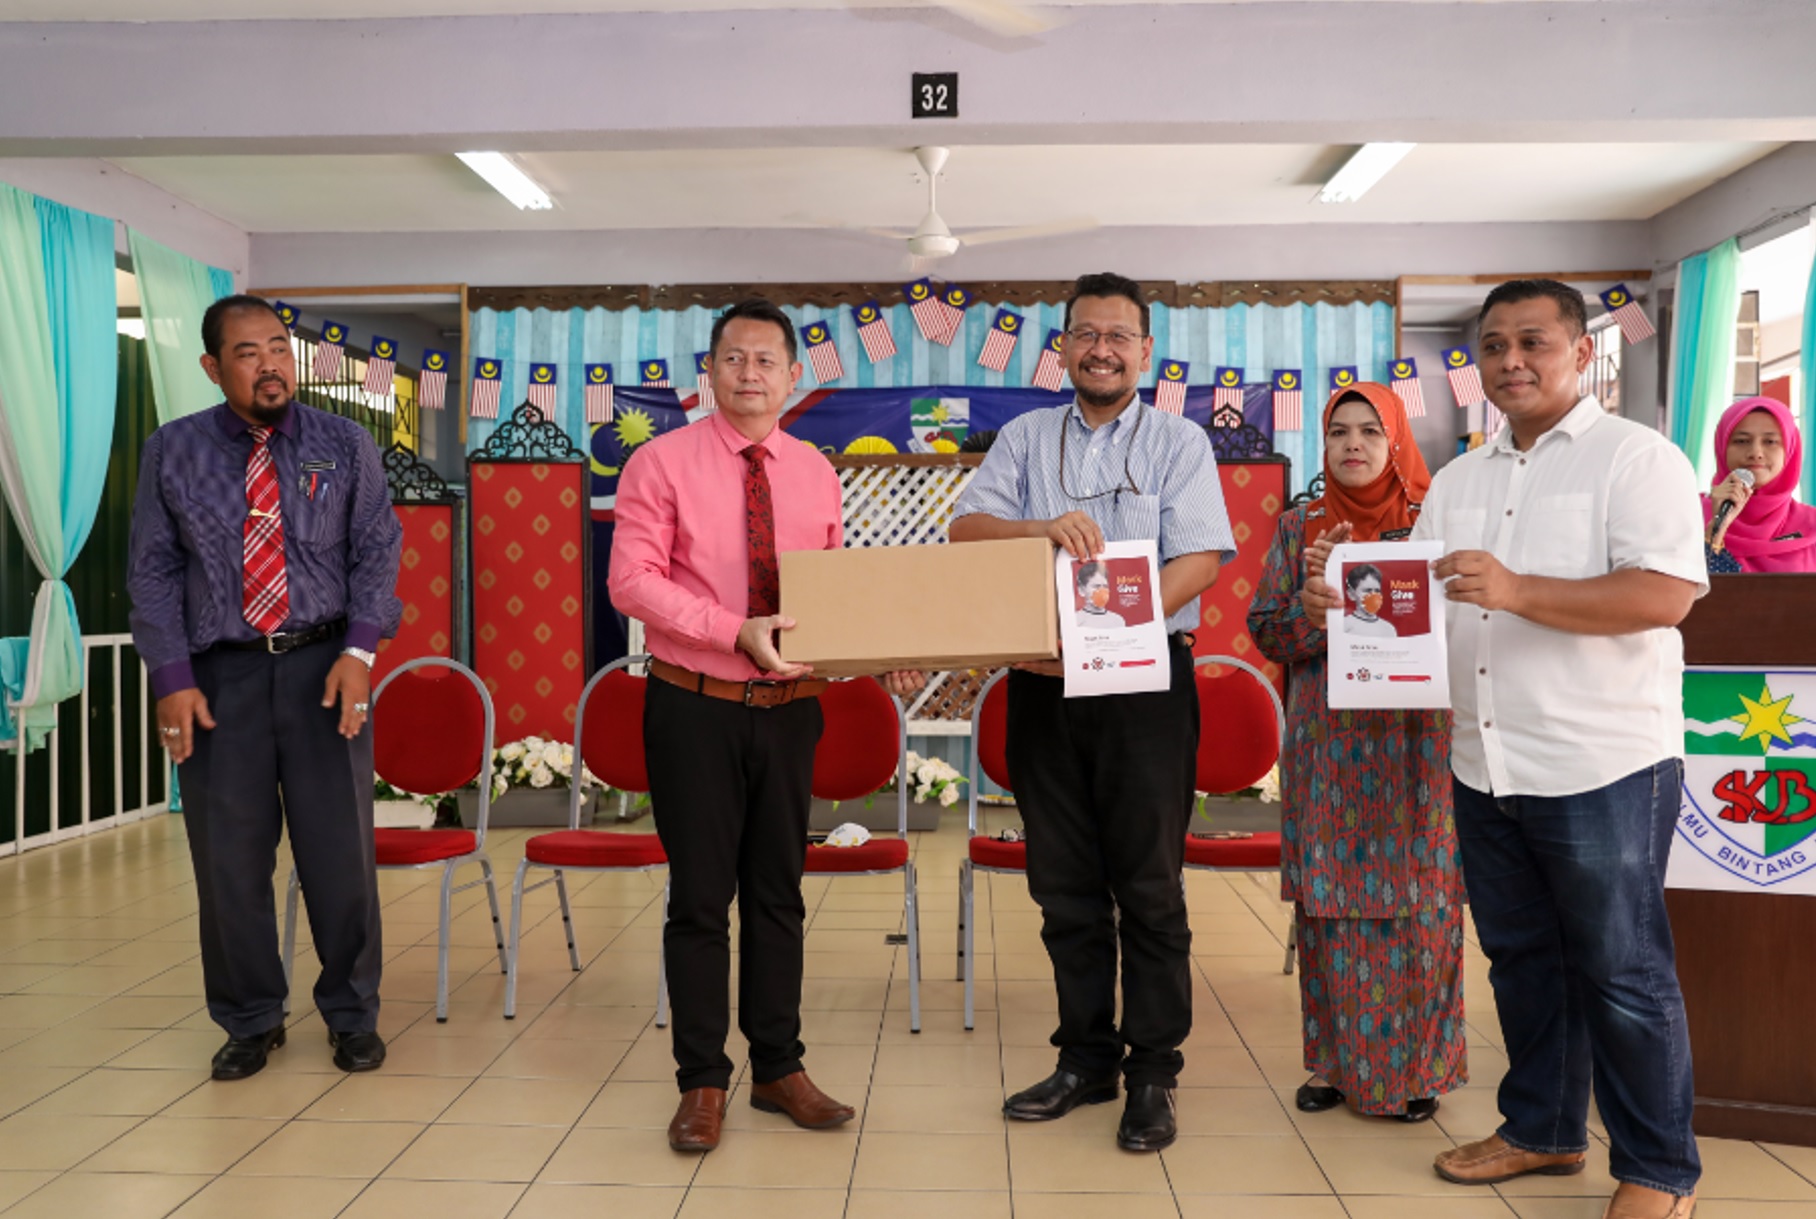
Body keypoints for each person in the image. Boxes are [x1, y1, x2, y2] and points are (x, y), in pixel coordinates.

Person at [1308, 280, 1705, 1219]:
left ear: (1583, 352)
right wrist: (1354, 601)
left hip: (1603, 761)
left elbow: (1665, 595)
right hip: (1484, 759)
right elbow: (1421, 600)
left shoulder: (1636, 459)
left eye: (1534, 341)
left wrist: (1519, 589)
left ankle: (1659, 1170)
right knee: (1523, 960)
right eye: (1494, 345)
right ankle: (1543, 1130)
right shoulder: (1460, 479)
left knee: (1624, 969)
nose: (1512, 360)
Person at [609, 299, 923, 1153]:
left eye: (767, 360)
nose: (750, 373)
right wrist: (728, 628)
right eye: (734, 358)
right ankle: (702, 1080)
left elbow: (826, 599)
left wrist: (878, 651)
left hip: (791, 714)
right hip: (694, 705)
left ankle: (780, 1068)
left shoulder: (816, 470)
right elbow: (631, 581)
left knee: (780, 895)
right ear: (708, 372)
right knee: (702, 899)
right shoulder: (659, 461)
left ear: (793, 376)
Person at [950, 271, 1235, 1152]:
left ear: (1145, 351)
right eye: (1086, 334)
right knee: (1064, 883)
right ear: (1063, 347)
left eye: (1119, 335)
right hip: (1043, 686)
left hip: (1146, 684)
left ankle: (1154, 1071)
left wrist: (1111, 635)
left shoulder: (1180, 441)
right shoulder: (1028, 439)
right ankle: (1085, 1057)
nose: (1102, 348)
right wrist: (1043, 528)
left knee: (1148, 884)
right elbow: (966, 532)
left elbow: (1201, 558)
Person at [126, 294, 402, 1080]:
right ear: (214, 367)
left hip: (325, 669)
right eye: (248, 352)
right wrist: (170, 677)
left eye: (279, 347)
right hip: (221, 678)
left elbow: (377, 555)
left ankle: (351, 1013)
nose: (270, 363)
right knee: (229, 861)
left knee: (339, 853)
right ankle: (249, 1017)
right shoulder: (172, 451)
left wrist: (360, 651)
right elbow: (151, 570)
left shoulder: (345, 445)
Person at [1248, 382, 1464, 1125]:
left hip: (1414, 743)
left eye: (1371, 430)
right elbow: (1268, 629)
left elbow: (1468, 624)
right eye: (1339, 430)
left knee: (1421, 907)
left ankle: (1419, 1071)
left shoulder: (1433, 521)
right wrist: (1311, 611)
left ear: (1396, 437)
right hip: (1330, 747)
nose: (1353, 444)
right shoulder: (1300, 525)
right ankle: (1335, 1066)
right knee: (1332, 907)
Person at [1702, 395, 1816, 573]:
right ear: (1722, 447)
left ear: (1790, 450)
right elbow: (1679, 593)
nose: (1756, 453)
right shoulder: (1689, 517)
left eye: (1770, 442)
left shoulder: (1811, 524)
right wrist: (1716, 528)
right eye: (1741, 441)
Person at [1339, 563, 1398, 638]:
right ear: (1352, 594)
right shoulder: (1344, 625)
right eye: (1367, 590)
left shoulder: (1388, 629)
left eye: (1377, 591)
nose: (1373, 595)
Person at [1074, 560, 1128, 629]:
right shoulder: (1076, 620)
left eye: (1105, 586)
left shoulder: (1118, 621)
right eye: (1096, 586)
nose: (1102, 591)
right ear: (1081, 590)